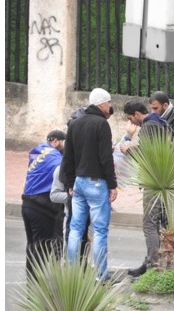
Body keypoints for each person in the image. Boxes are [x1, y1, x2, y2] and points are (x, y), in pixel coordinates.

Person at [62, 88, 117, 280]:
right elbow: (106, 158)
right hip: (97, 183)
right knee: (100, 230)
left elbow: (68, 157)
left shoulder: (75, 124)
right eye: (109, 102)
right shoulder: (101, 124)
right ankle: (100, 275)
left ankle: (71, 272)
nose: (110, 106)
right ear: (101, 104)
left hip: (78, 182)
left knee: (76, 228)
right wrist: (112, 184)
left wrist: (70, 183)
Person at [121, 100, 169, 276]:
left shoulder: (148, 126)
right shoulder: (161, 123)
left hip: (154, 181)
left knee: (150, 224)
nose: (131, 122)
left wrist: (127, 150)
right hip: (165, 180)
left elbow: (148, 154)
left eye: (130, 118)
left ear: (136, 114)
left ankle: (153, 266)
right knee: (163, 224)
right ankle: (158, 263)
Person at [22, 130, 66, 277]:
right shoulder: (54, 156)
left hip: (27, 204)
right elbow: (65, 169)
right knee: (42, 250)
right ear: (56, 141)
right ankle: (37, 285)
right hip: (42, 208)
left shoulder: (38, 151)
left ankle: (31, 284)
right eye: (64, 143)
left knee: (32, 247)